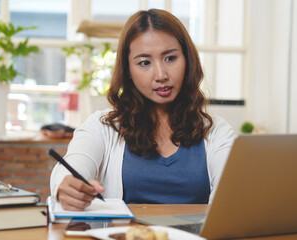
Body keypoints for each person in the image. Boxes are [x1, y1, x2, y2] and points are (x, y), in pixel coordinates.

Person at [50, 9, 235, 211]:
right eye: (144, 63)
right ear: (128, 70)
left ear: (188, 60)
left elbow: (230, 198)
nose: (161, 74)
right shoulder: (102, 127)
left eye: (170, 58)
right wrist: (66, 185)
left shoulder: (217, 132)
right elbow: (73, 166)